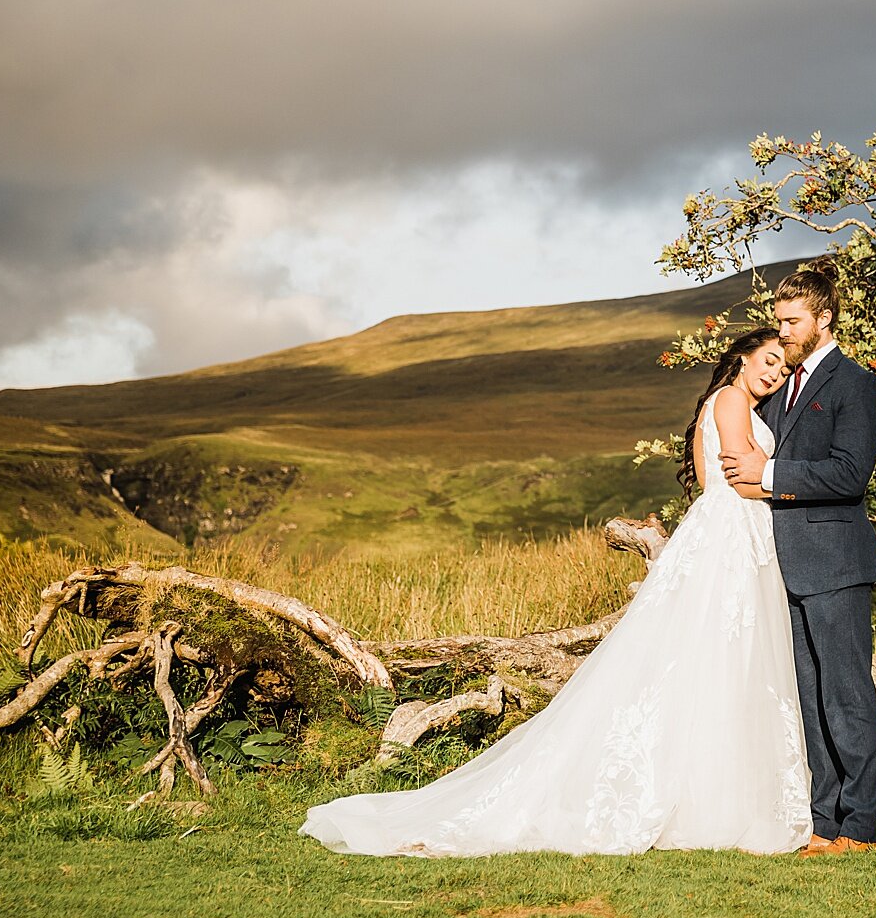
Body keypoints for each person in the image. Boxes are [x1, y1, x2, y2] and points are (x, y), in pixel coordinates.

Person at [298, 327, 812, 856]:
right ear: (743, 358)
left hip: (733, 533)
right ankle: (707, 800)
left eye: (783, 367)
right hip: (732, 535)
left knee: (713, 661)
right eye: (768, 360)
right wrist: (794, 484)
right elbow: (735, 475)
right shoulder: (730, 399)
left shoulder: (732, 404)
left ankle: (707, 795)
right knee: (717, 658)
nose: (774, 372)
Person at [722, 258, 876, 856]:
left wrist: (767, 473)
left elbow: (849, 473)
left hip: (837, 562)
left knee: (847, 694)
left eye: (792, 321)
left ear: (824, 318)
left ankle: (862, 826)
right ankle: (824, 824)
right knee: (808, 697)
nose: (782, 332)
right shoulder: (778, 391)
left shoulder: (856, 385)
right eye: (778, 321)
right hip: (782, 568)